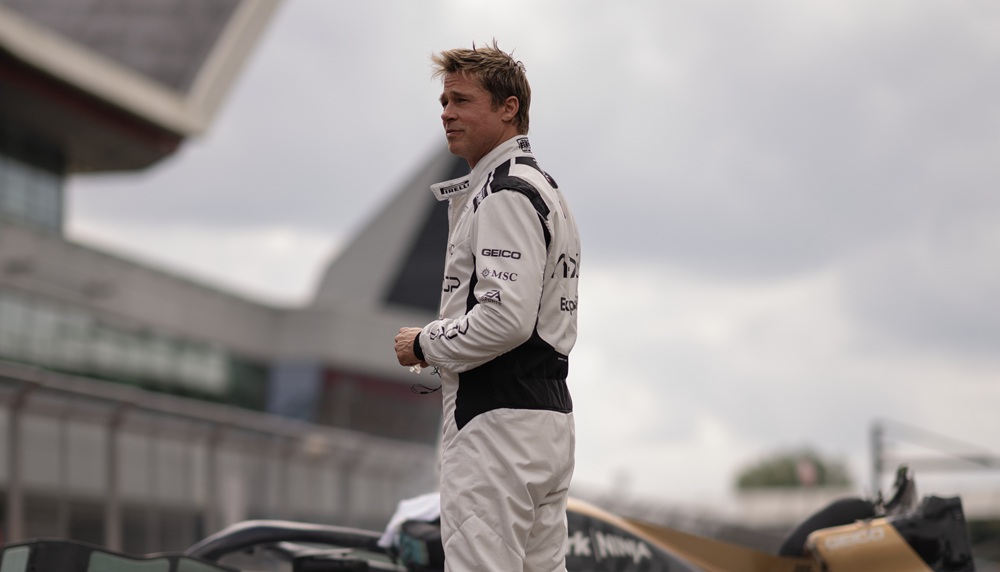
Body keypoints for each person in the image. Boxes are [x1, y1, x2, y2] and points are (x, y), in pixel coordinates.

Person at [394, 42, 581, 571]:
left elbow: (505, 319)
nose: (446, 113)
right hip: (544, 419)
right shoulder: (543, 188)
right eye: (444, 101)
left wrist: (423, 343)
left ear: (508, 109)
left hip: (495, 425)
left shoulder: (504, 192)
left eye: (461, 100)